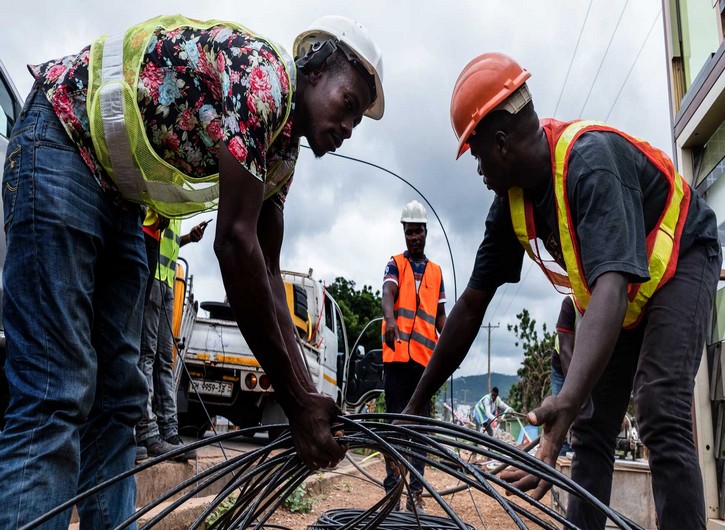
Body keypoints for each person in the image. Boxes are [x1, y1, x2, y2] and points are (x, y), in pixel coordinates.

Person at [0, 14, 384, 529]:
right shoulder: (263, 80)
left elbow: (269, 275)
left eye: (357, 122)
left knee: (118, 402)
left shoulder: (282, 155)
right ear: (314, 72)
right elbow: (234, 246)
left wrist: (308, 397)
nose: (348, 128)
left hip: (118, 197)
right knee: (55, 389)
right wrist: (295, 404)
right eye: (349, 104)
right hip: (60, 142)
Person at [401, 52, 721, 529]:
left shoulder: (590, 164)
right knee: (592, 425)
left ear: (501, 143)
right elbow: (471, 305)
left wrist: (567, 399)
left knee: (660, 406)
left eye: (476, 154)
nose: (478, 170)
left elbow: (610, 288)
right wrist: (415, 405)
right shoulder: (510, 206)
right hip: (627, 295)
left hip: (685, 257)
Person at [381, 199, 447, 513]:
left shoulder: (436, 272)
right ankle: (393, 492)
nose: (414, 237)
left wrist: (453, 344)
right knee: (395, 425)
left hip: (424, 365)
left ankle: (415, 495)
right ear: (404, 232)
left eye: (418, 231)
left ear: (425, 232)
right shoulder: (395, 263)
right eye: (409, 232)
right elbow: (388, 293)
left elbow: (441, 317)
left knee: (420, 430)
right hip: (396, 360)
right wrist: (390, 320)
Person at [136, 217, 208, 462]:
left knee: (165, 360)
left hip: (168, 280)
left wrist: (188, 237)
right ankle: (147, 431)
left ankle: (169, 431)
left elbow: (170, 242)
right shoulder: (163, 200)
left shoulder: (176, 209)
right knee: (147, 355)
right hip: (152, 275)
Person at [552, 295, 579, 456]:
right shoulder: (570, 304)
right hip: (562, 366)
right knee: (561, 409)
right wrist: (577, 395)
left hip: (585, 365)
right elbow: (566, 355)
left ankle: (577, 447)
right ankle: (560, 452)